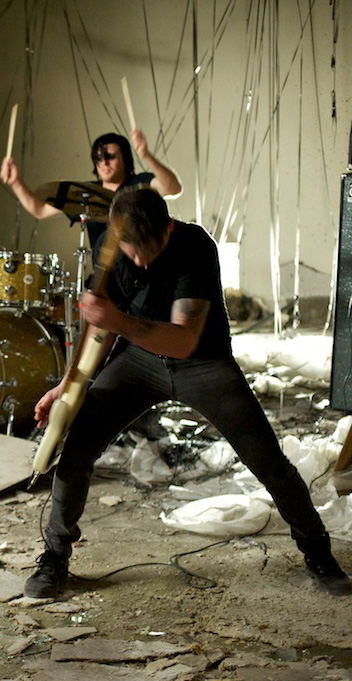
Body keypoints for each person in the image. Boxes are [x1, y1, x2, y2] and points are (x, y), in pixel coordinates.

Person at [24, 188, 351, 599]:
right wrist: (70, 384)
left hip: (203, 362)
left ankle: (318, 551)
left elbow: (182, 341)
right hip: (137, 361)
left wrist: (117, 320)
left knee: (269, 462)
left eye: (148, 251)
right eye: (131, 252)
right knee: (77, 450)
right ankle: (55, 556)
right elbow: (98, 324)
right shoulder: (110, 245)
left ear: (168, 228)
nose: (140, 262)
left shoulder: (195, 246)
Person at [0, 129, 182, 249]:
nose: (103, 163)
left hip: (142, 270)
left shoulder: (139, 183)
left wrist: (146, 155)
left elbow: (172, 188)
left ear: (125, 158)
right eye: (98, 158)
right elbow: (39, 210)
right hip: (105, 277)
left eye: (110, 157)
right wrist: (15, 182)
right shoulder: (84, 193)